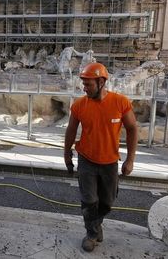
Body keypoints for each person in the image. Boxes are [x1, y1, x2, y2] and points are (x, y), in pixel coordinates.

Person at [63, 62, 138, 252]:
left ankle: (96, 225)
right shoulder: (79, 105)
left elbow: (132, 129)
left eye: (88, 84)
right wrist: (66, 154)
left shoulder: (120, 102)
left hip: (110, 162)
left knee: (107, 201)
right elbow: (71, 130)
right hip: (86, 159)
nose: (84, 87)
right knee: (89, 201)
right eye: (84, 83)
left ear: (101, 82)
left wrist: (130, 159)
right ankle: (91, 234)